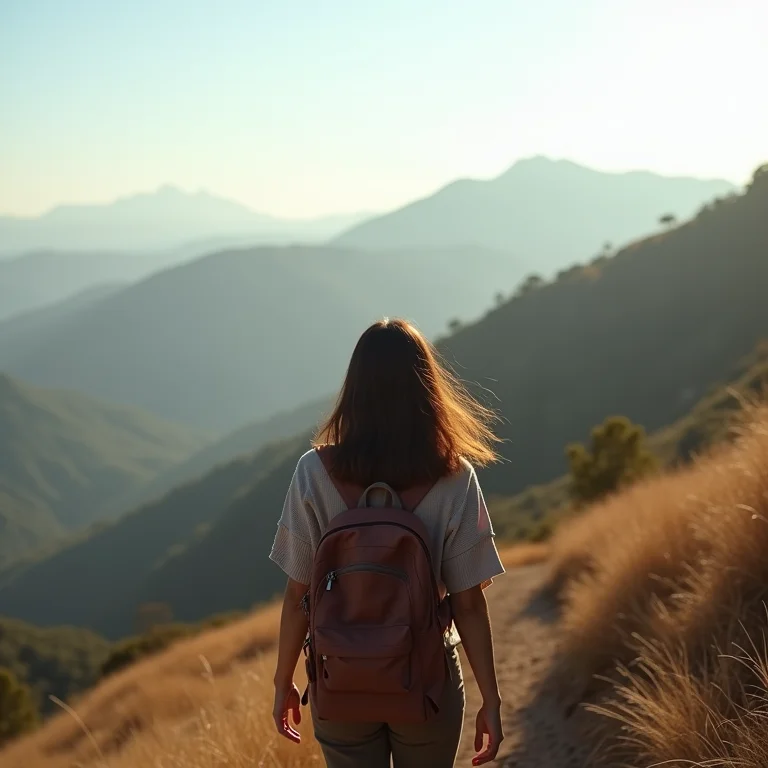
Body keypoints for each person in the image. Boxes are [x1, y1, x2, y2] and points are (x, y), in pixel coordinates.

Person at [269, 318, 506, 767]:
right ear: (428, 389)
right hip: (424, 680)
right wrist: (490, 700)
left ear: (354, 388)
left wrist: (284, 681)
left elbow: (298, 592)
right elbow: (469, 603)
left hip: (339, 679)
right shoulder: (454, 477)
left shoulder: (313, 472)